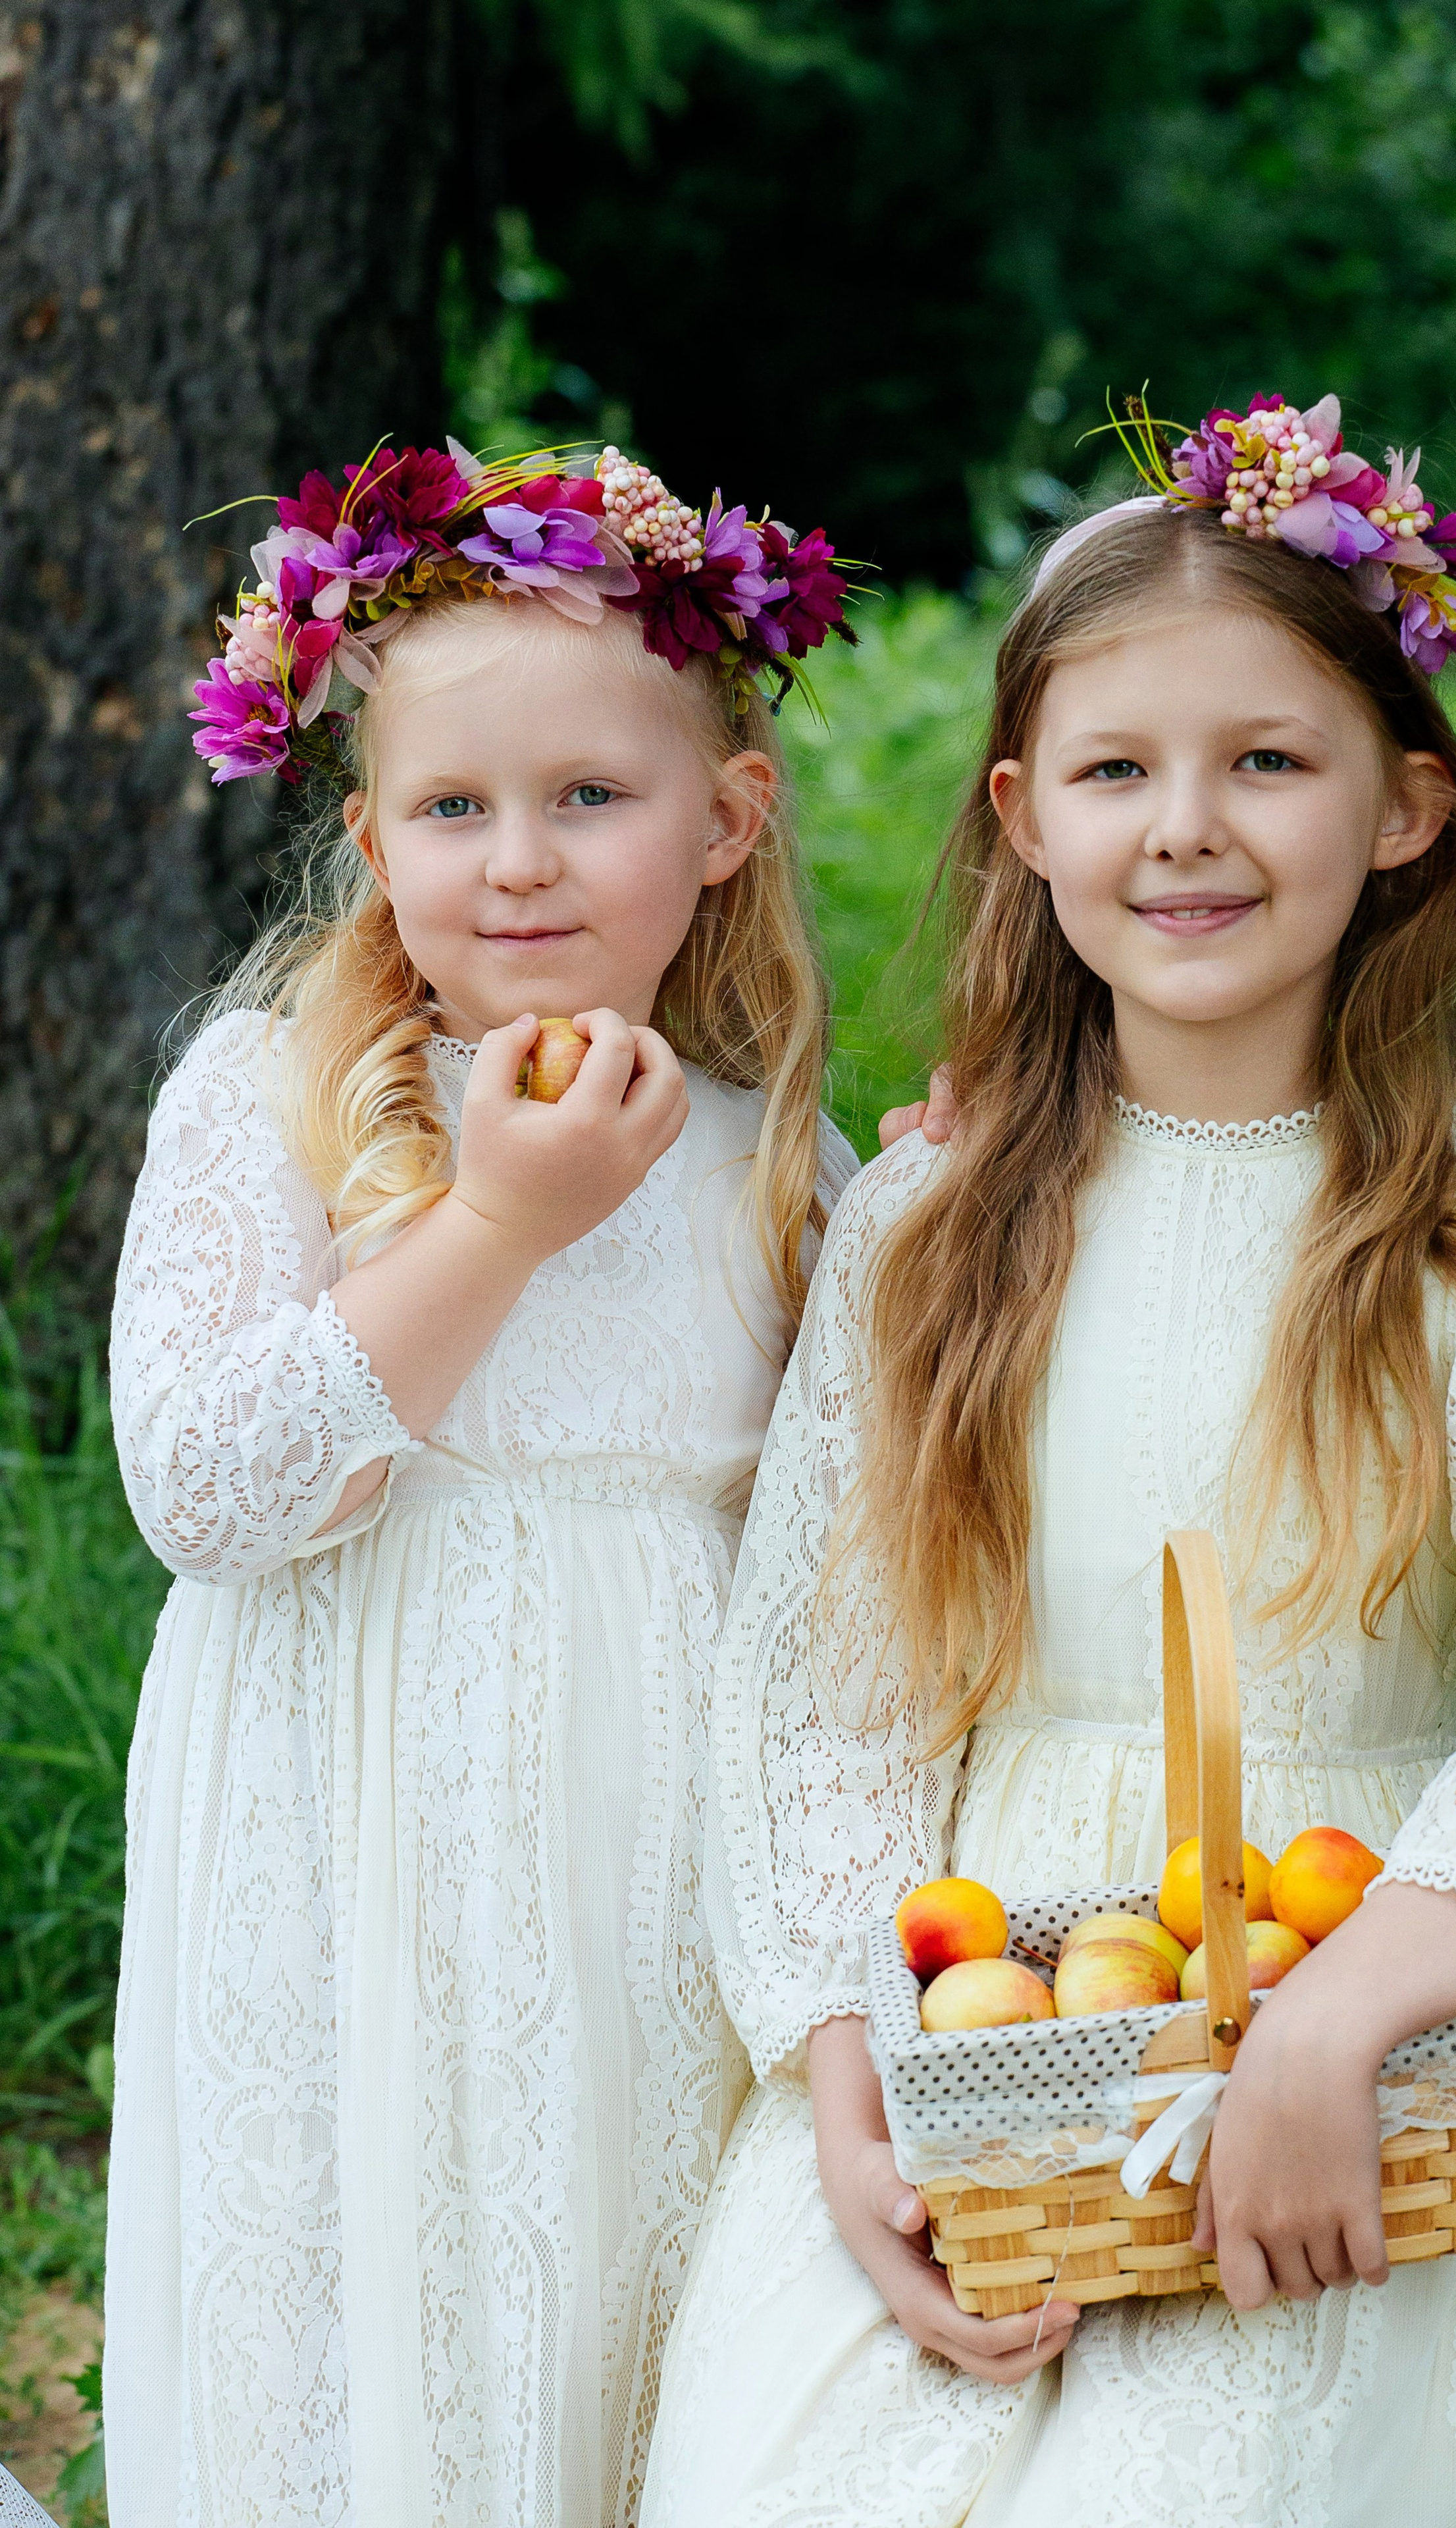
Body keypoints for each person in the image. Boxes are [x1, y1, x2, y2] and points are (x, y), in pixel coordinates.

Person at [642, 394, 1456, 2528]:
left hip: (1368, 2036)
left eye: (1268, 762)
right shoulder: (926, 1222)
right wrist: (845, 2098)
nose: (1186, 827)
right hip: (965, 2008)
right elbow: (822, 1706)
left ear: (1403, 809)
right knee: (786, 2476)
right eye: (1119, 770)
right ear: (1025, 816)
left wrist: (1330, 2032)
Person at [104, 438, 858, 2527]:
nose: (517, 861)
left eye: (590, 800)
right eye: (453, 809)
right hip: (337, 1839)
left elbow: (860, 1542)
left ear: (726, 821)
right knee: (345, 2316)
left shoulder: (772, 1158)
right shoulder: (270, 1093)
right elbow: (206, 1491)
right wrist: (498, 1224)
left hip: (642, 1866)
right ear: (369, 837)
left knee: (610, 2303)